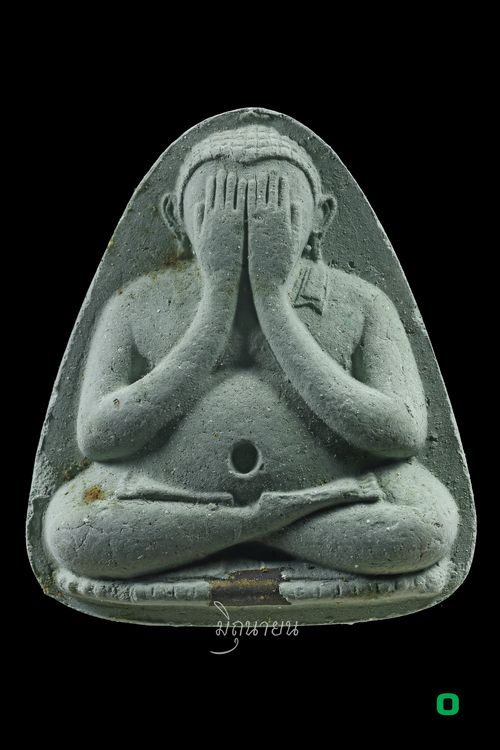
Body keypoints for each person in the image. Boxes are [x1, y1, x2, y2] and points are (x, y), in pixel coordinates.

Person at [44, 125, 458, 580]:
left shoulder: (361, 303)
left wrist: (273, 302)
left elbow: (400, 433)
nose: (245, 230)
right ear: (176, 217)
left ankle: (221, 534)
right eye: (216, 211)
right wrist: (217, 302)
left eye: (276, 212)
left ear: (319, 217)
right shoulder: (137, 302)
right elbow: (98, 437)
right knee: (70, 528)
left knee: (426, 524)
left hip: (333, 492)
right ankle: (268, 527)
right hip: (164, 492)